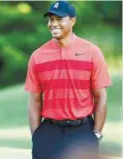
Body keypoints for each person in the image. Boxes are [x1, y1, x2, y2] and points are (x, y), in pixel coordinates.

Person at [25, 1, 111, 159]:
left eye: (59, 19)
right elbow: (34, 101)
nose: (53, 24)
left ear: (72, 21)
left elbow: (101, 97)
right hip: (49, 131)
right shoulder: (37, 57)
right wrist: (37, 136)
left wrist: (96, 133)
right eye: (51, 19)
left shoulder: (92, 52)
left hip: (82, 131)